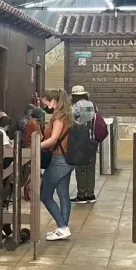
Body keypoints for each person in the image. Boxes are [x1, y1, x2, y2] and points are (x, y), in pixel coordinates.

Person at [39, 89, 75, 240]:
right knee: (63, 194)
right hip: (67, 159)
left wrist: (36, 146)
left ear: (53, 101)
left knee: (45, 194)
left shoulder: (59, 117)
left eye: (45, 102)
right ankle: (63, 228)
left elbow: (53, 139)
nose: (45, 106)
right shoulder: (66, 115)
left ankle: (62, 226)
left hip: (59, 159)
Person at [70, 85, 97, 204]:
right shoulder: (92, 105)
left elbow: (70, 122)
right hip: (92, 140)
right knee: (90, 168)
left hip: (80, 141)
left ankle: (81, 195)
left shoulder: (75, 107)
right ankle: (90, 194)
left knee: (81, 168)